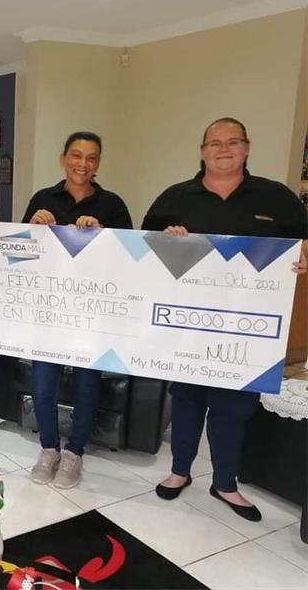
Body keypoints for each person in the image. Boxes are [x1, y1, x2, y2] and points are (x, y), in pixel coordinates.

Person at [143, 117, 307, 521]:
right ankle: (180, 471)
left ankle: (225, 483)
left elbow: (304, 241)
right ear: (202, 151)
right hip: (188, 325)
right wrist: (166, 241)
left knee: (233, 408)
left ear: (246, 148)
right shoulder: (174, 198)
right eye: (215, 143)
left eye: (233, 142)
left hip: (249, 330)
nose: (223, 149)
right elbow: (144, 249)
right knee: (186, 401)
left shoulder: (277, 198)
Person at [23, 131, 133, 489]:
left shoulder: (112, 205)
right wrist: (32, 228)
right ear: (63, 159)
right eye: (76, 155)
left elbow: (129, 259)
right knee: (43, 385)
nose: (82, 164)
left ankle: (74, 453)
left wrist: (101, 234)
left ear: (98, 163)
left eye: (91, 157)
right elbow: (21, 255)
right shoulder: (42, 199)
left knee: (87, 386)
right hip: (49, 309)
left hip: (91, 313)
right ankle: (49, 448)